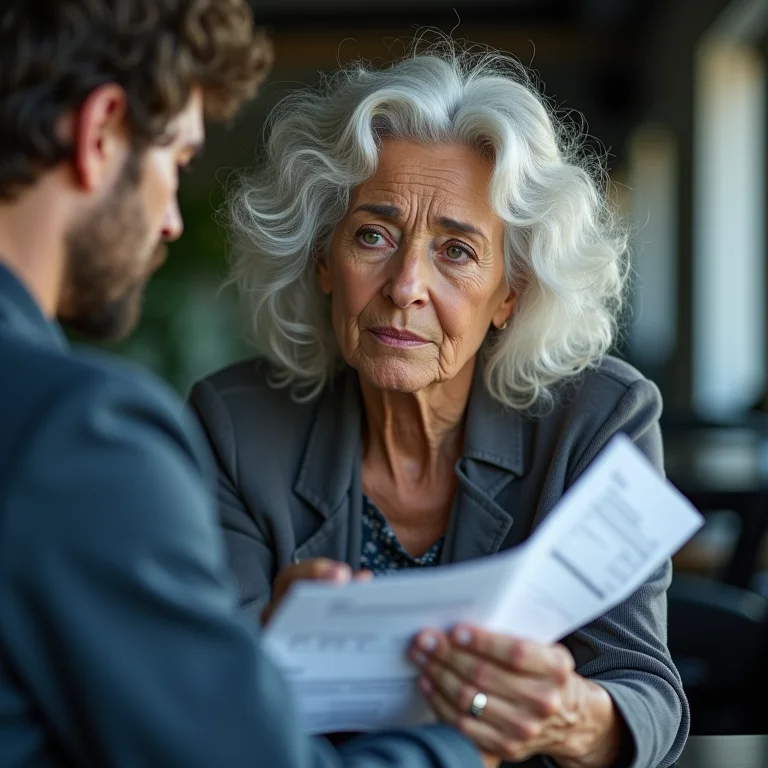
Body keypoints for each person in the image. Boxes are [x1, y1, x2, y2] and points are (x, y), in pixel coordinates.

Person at [0, 4, 489, 767]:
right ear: (100, 133)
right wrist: (466, 744)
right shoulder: (79, 434)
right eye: (177, 160)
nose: (171, 219)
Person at [190, 44, 688, 768]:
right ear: (323, 259)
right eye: (372, 235)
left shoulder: (600, 419)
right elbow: (195, 698)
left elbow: (647, 694)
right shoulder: (236, 426)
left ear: (512, 292)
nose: (405, 286)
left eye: (456, 251)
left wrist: (571, 719)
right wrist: (265, 643)